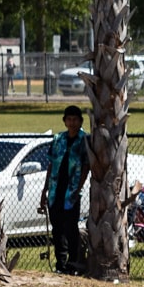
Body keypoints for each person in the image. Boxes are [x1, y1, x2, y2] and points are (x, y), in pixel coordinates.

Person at [38, 104, 91, 274]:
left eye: (75, 119)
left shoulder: (84, 140)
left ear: (81, 121)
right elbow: (51, 163)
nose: (72, 122)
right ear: (64, 121)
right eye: (69, 119)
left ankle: (73, 262)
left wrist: (79, 187)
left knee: (70, 228)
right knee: (57, 228)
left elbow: (86, 166)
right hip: (56, 190)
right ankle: (60, 263)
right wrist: (45, 190)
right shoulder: (58, 139)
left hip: (72, 191)